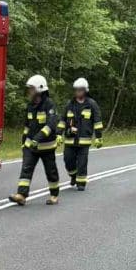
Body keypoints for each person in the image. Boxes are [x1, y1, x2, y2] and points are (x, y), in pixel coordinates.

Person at [10, 74, 61, 206]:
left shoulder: (49, 105)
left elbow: (50, 125)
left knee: (51, 171)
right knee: (26, 168)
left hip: (47, 146)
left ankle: (54, 194)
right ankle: (21, 195)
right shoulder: (30, 106)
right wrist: (24, 142)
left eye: (31, 89)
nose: (29, 91)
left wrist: (38, 138)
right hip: (31, 146)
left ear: (39, 89)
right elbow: (27, 126)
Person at [58, 78, 104, 191]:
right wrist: (58, 134)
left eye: (80, 90)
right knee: (68, 160)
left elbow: (97, 122)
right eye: (76, 90)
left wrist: (98, 137)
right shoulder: (70, 104)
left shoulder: (92, 104)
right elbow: (62, 120)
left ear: (85, 90)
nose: (78, 92)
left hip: (84, 140)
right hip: (70, 139)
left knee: (82, 163)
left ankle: (81, 183)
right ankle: (73, 176)